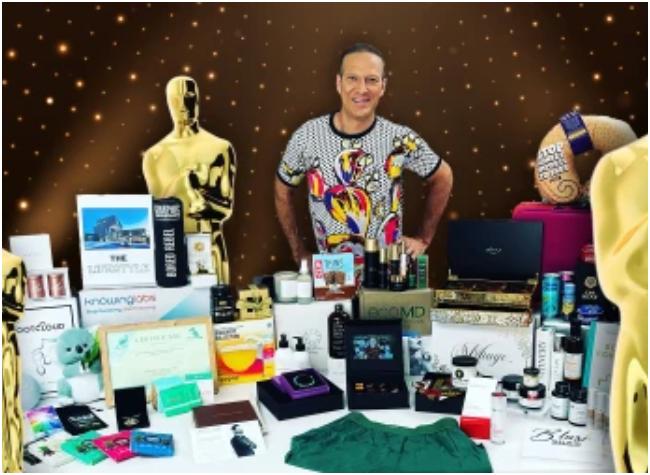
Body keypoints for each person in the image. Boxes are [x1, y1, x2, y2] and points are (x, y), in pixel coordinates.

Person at [274, 43, 453, 265]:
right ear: (338, 83)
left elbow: (443, 176)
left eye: (371, 80)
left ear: (383, 86)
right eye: (352, 78)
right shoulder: (308, 136)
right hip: (332, 276)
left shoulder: (399, 138)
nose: (362, 89)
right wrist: (298, 251)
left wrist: (424, 238)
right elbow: (282, 189)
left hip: (387, 275)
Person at [143, 76, 236, 284]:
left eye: (189, 96)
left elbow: (226, 208)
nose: (184, 105)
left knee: (219, 304)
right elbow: (157, 213)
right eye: (176, 99)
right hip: (171, 255)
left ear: (198, 99)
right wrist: (184, 185)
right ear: (168, 102)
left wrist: (199, 199)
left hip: (210, 249)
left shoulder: (219, 148)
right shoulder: (154, 156)